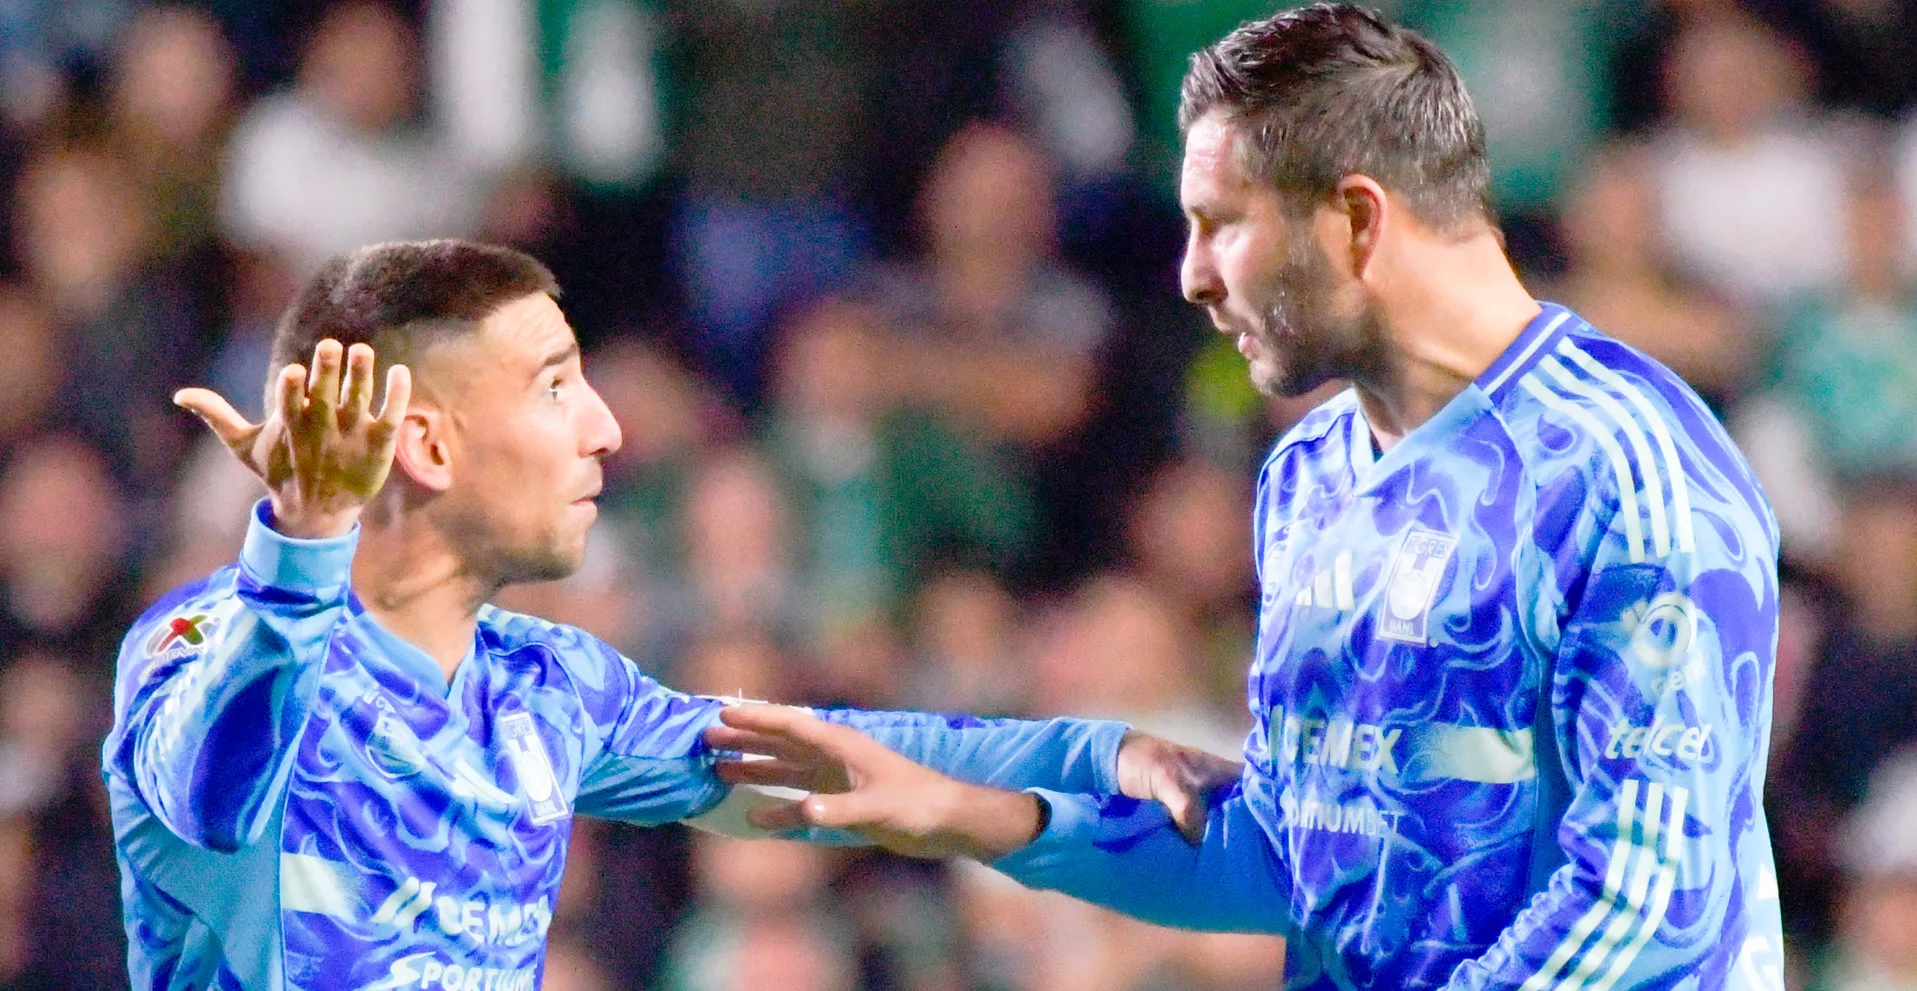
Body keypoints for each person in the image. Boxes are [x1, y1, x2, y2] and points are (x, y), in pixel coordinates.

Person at [707, 5, 1786, 989]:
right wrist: (983, 817)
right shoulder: (1306, 479)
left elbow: (1651, 904)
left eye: (1221, 223)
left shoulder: (1624, 470)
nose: (1190, 274)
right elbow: (1293, 851)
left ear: (1355, 220)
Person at [101, 239, 1219, 990]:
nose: (607, 429)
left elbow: (829, 748)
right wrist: (302, 543)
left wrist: (1094, 750)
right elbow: (214, 794)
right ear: (430, 446)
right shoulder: (191, 642)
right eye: (554, 385)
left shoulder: (548, 686)